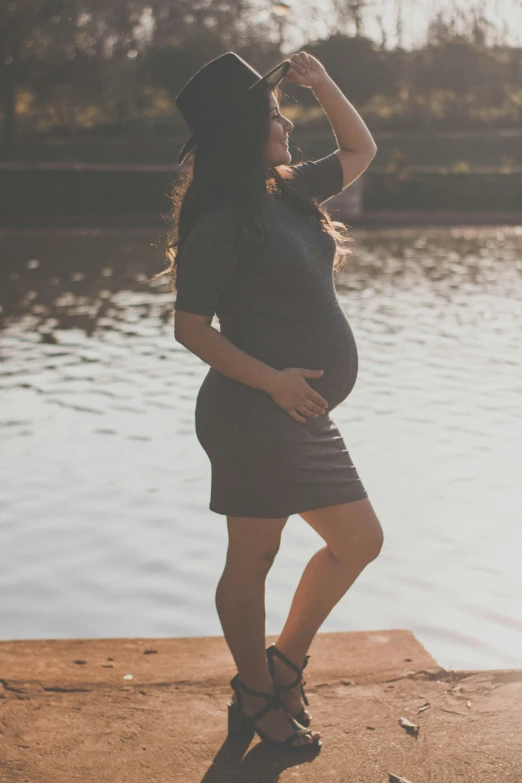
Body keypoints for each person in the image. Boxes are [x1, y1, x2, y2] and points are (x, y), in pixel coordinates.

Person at [163, 50, 383, 752]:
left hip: (301, 413)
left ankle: (284, 662)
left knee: (359, 541)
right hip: (255, 412)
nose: (286, 121)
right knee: (253, 558)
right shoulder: (224, 219)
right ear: (240, 131)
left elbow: (360, 147)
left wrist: (322, 84)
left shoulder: (286, 190)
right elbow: (190, 328)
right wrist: (276, 382)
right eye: (273, 113)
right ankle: (257, 692)